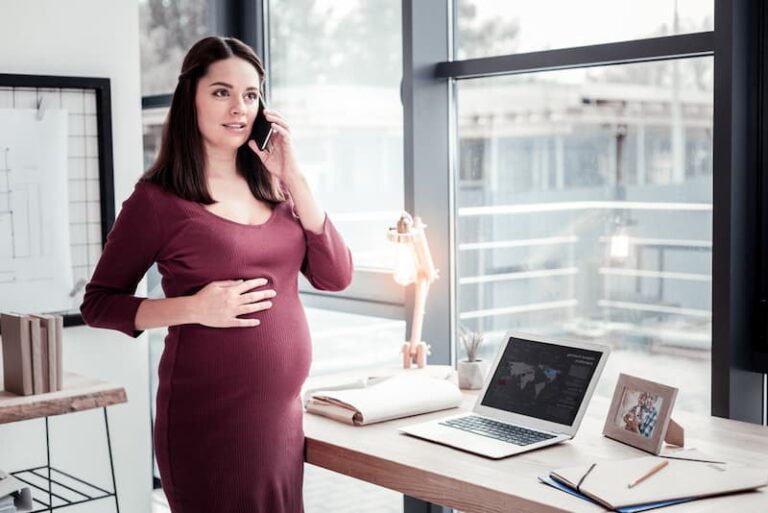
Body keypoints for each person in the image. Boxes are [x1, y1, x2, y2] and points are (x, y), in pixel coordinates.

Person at [80, 36, 353, 513]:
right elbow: (98, 303)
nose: (239, 108)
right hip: (207, 422)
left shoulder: (277, 186)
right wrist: (195, 308)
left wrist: (297, 177)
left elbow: (336, 276)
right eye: (222, 92)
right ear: (191, 97)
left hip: (279, 422)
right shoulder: (157, 201)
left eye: (251, 95)